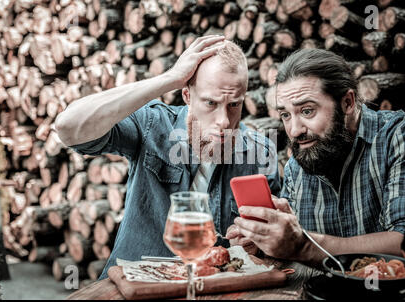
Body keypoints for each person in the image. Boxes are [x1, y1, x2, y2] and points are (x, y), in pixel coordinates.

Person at [54, 35, 280, 279]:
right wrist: (169, 78)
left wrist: (256, 242)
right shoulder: (153, 125)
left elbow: (273, 241)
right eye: (210, 103)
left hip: (215, 292)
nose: (224, 121)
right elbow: (68, 128)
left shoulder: (261, 152)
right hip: (137, 286)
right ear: (186, 95)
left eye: (234, 104)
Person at [227, 48, 405, 265]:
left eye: (307, 111)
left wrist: (303, 245)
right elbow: (291, 242)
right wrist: (265, 240)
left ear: (348, 103)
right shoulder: (297, 165)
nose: (294, 130)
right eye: (285, 114)